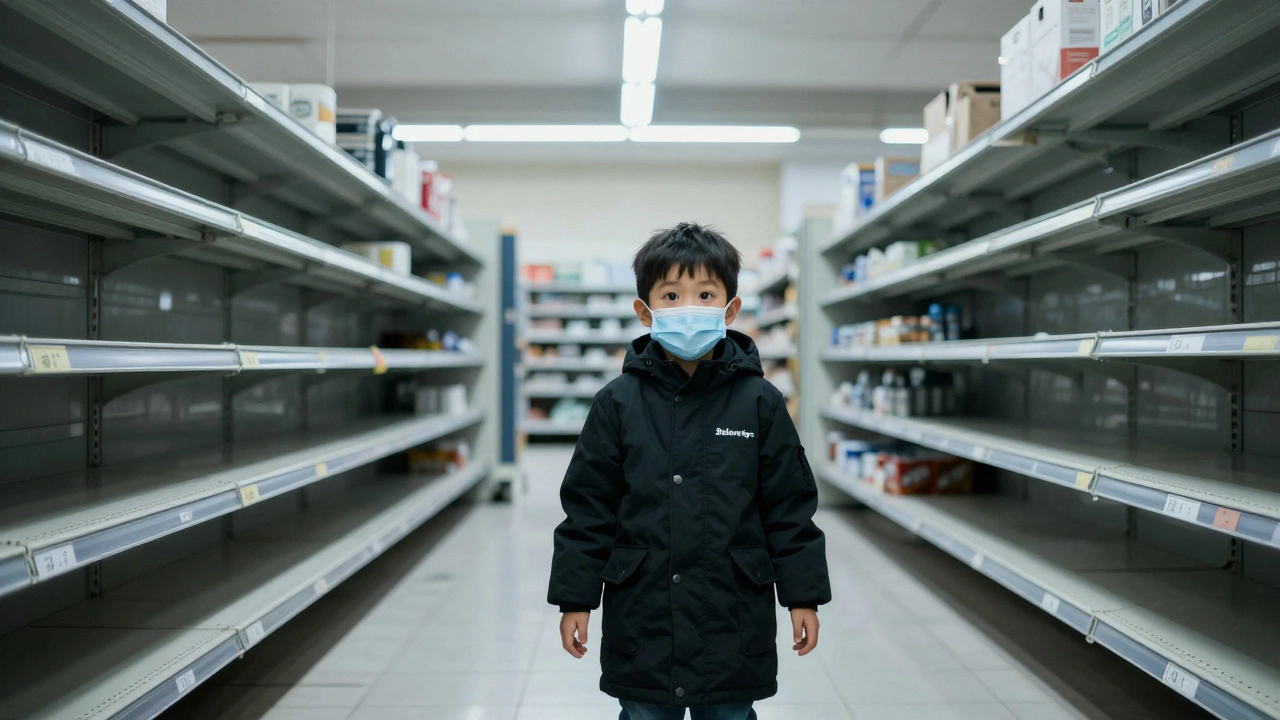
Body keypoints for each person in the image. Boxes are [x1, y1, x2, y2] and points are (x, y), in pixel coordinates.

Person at [547, 222, 832, 720]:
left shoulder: (760, 403)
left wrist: (802, 596)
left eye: (704, 294)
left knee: (728, 712)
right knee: (644, 712)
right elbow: (588, 508)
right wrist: (576, 599)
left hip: (731, 612)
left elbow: (788, 506)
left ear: (731, 309)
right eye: (671, 295)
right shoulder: (616, 404)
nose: (688, 308)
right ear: (645, 312)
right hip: (644, 614)